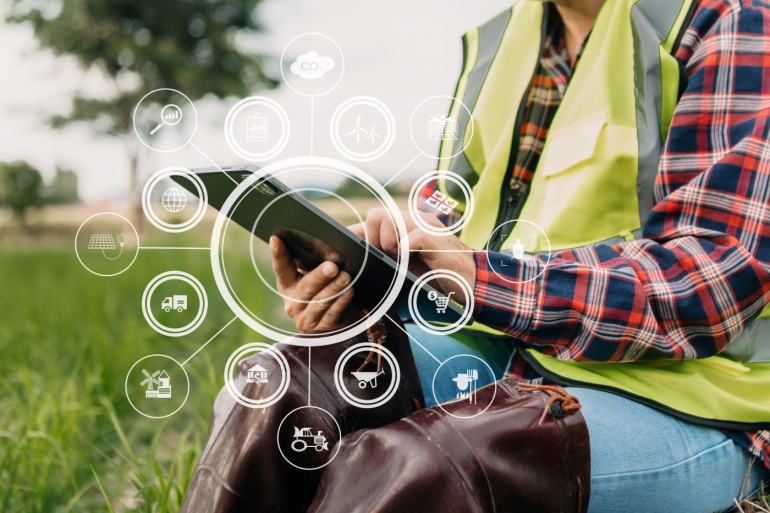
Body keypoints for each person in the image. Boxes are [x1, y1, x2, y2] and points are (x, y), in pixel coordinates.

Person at [184, 0, 770, 511]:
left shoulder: (730, 21)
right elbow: (454, 219)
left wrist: (477, 277)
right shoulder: (498, 45)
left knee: (428, 465)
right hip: (522, 353)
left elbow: (713, 280)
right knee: (279, 386)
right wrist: (375, 275)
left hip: (698, 395)